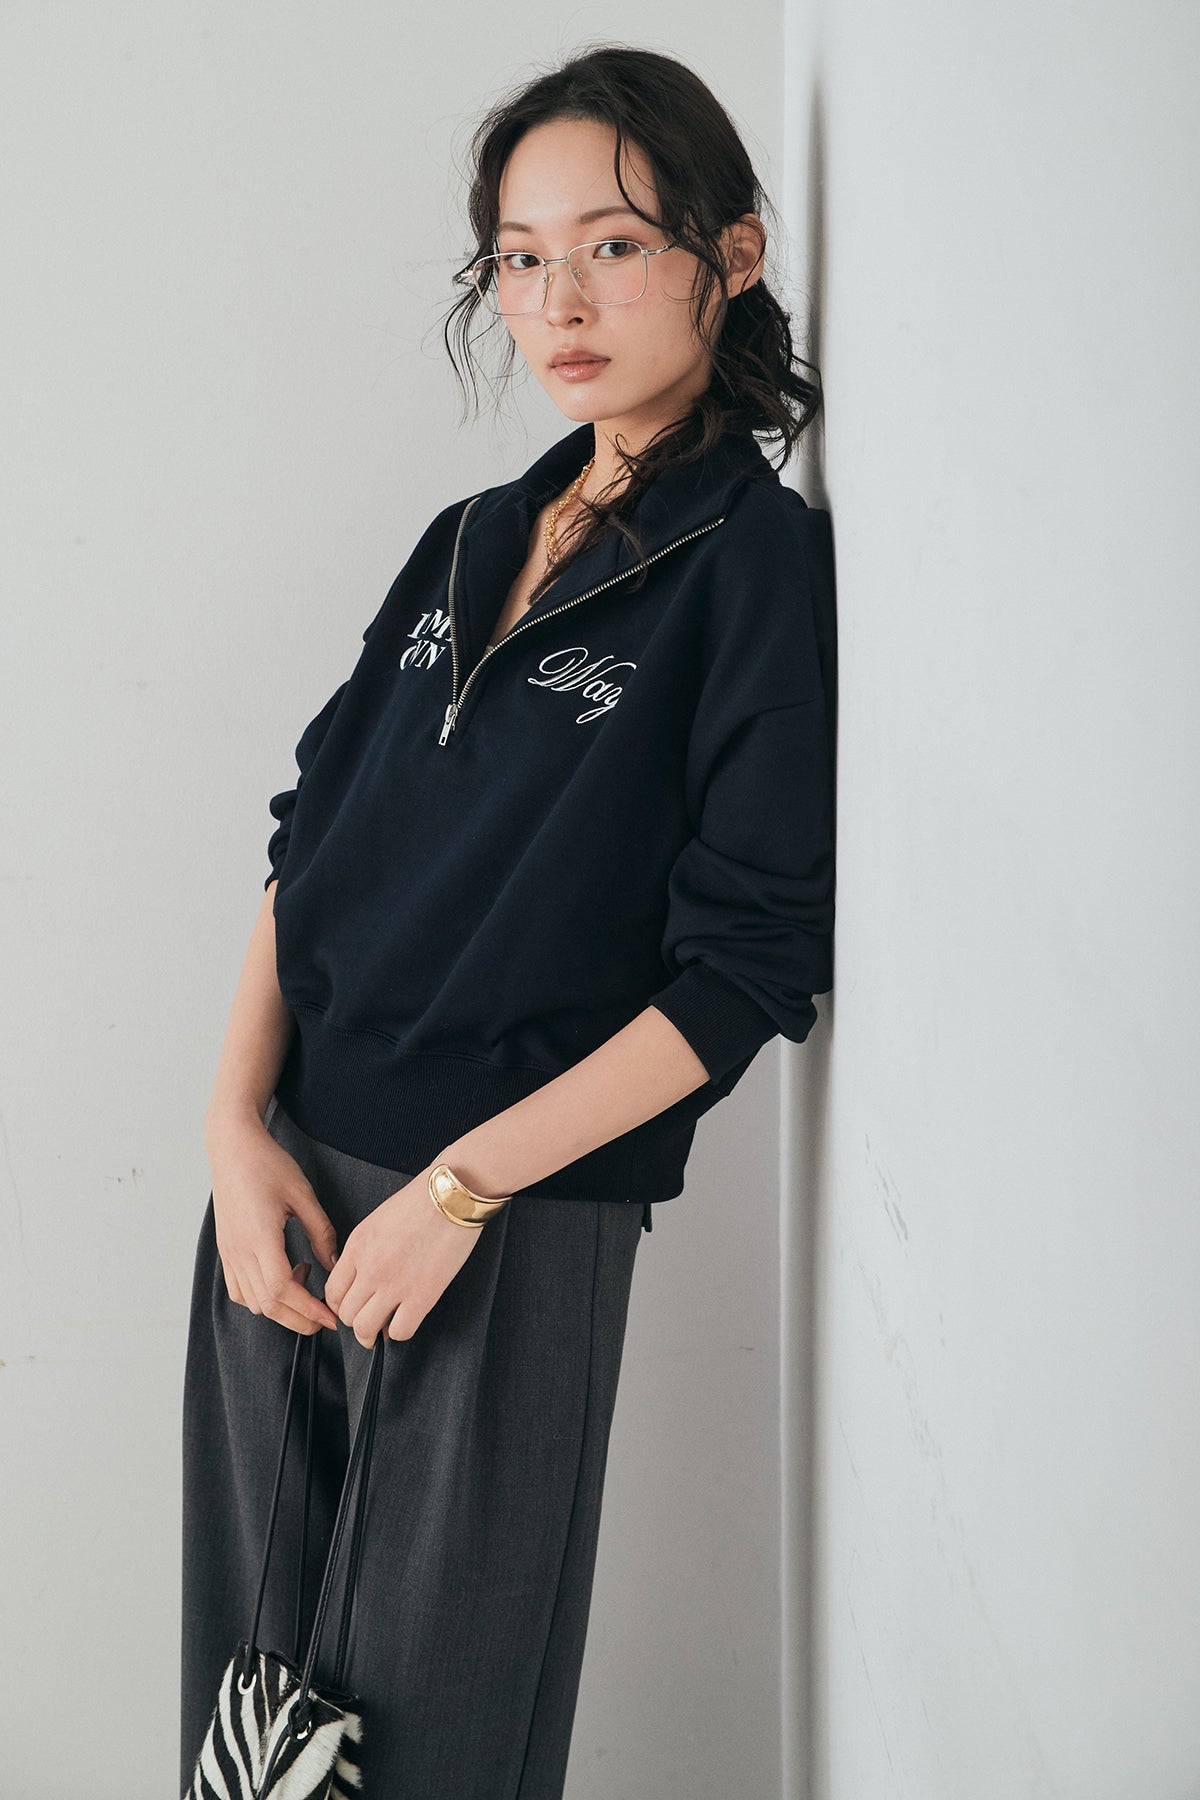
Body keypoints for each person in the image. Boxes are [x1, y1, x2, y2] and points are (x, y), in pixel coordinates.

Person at [180, 42, 836, 1800]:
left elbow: (749, 966)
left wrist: (464, 1192)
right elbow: (308, 838)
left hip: (504, 1226)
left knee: (427, 1747)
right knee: (242, 1740)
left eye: (613, 246)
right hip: (284, 1196)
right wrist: (233, 1129)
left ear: (731, 255)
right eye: (523, 257)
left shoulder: (751, 569)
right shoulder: (470, 534)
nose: (561, 302)